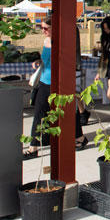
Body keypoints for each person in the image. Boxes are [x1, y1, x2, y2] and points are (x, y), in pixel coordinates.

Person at [24, 21, 86, 158]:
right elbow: (46, 60)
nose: (43, 30)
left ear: (55, 28)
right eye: (41, 27)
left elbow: (68, 62)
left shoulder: (63, 42)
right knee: (39, 114)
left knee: (67, 112)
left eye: (46, 28)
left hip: (60, 83)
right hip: (44, 82)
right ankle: (33, 147)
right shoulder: (46, 41)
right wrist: (39, 62)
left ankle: (79, 137)